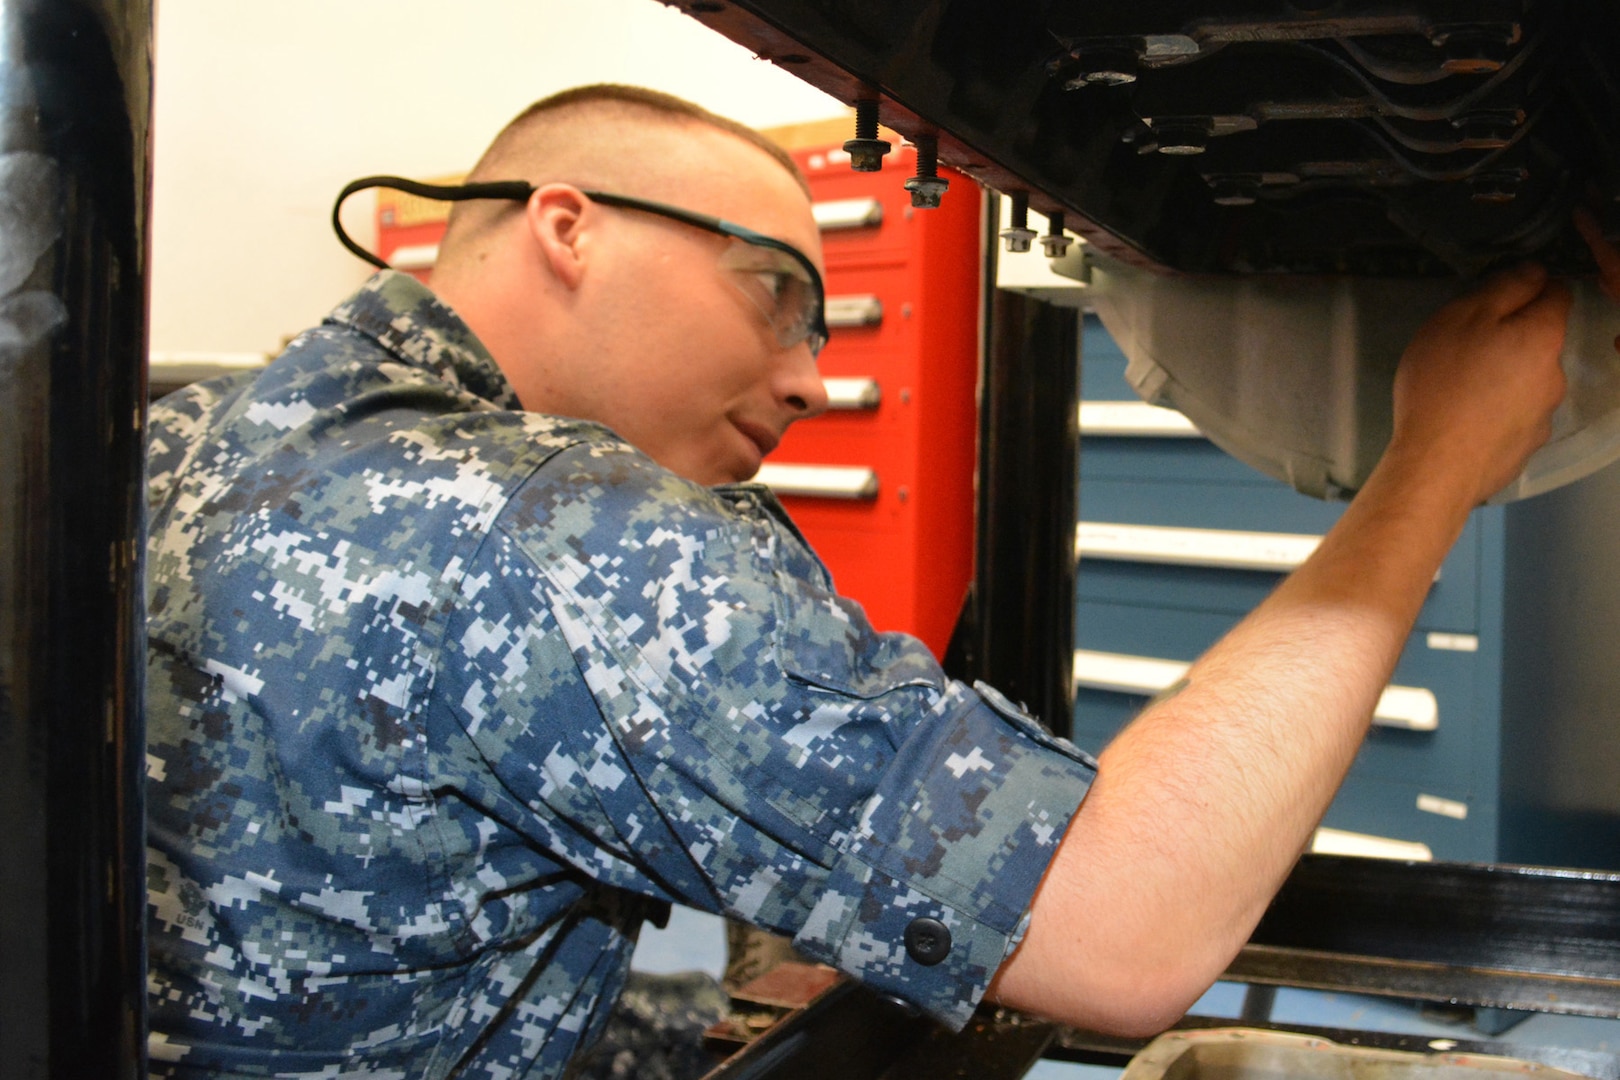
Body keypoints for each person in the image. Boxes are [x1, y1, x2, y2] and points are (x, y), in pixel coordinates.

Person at [144, 83, 1607, 1078]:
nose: (803, 375)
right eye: (776, 288)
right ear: (568, 225)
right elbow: (1127, 928)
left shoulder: (165, 432)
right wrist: (1437, 460)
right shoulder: (558, 529)